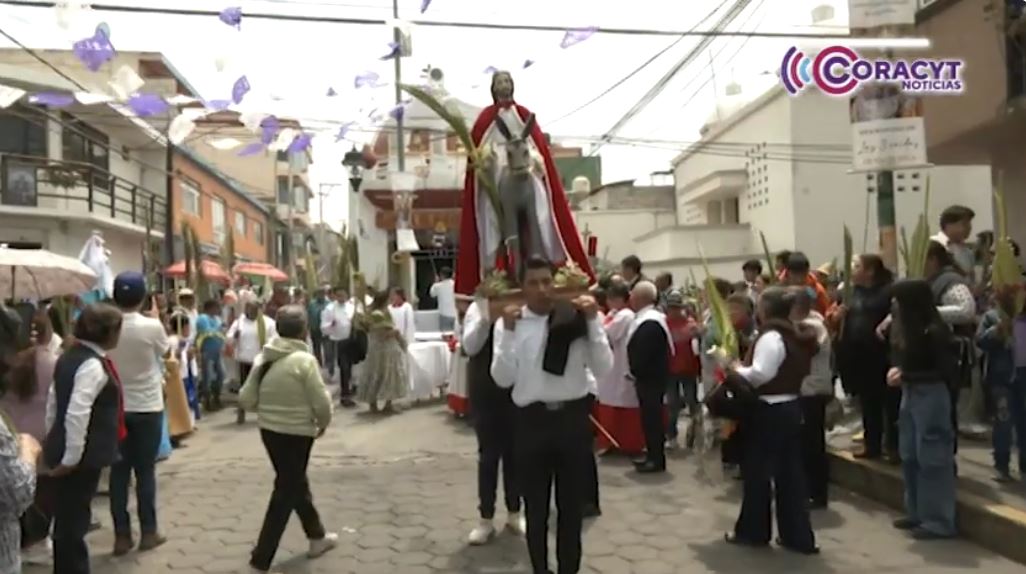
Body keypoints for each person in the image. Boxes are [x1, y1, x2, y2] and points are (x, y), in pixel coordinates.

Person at [491, 257, 613, 574]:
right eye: (533, 282)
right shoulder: (513, 323)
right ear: (523, 287)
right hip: (531, 424)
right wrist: (505, 332)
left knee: (571, 511)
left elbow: (603, 367)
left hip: (571, 423)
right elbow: (502, 379)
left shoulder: (573, 318)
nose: (542, 289)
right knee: (536, 509)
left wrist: (593, 322)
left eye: (547, 281)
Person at [454, 70, 593, 297]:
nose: (504, 85)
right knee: (491, 216)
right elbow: (478, 149)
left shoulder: (524, 113)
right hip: (498, 167)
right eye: (500, 82)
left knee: (541, 204)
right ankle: (497, 266)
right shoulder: (485, 119)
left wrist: (535, 160)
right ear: (493, 87)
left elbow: (537, 147)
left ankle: (548, 255)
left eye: (507, 81)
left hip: (524, 161)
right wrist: (487, 159)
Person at [238, 305, 338, 572]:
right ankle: (261, 558)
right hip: (298, 434)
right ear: (304, 331)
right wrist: (323, 423)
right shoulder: (305, 361)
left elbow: (245, 398)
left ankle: (317, 537)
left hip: (269, 432)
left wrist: (267, 409)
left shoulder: (264, 358)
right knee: (286, 490)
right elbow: (321, 402)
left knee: (294, 483)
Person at [726, 287, 818, 555]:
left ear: (765, 310)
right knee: (791, 475)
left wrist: (734, 369)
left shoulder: (772, 336)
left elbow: (760, 374)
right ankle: (797, 536)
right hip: (790, 406)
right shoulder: (795, 334)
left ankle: (753, 531)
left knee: (758, 473)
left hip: (769, 409)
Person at [44, 303, 126, 574]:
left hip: (65, 446)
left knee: (68, 519)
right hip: (80, 456)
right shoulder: (91, 364)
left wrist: (51, 439)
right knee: (72, 524)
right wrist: (71, 457)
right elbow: (77, 412)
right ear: (107, 332)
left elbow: (53, 404)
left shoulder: (68, 357)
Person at [106, 272, 171, 555]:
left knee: (118, 474)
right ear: (143, 297)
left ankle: (121, 536)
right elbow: (166, 352)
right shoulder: (152, 326)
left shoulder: (106, 326)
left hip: (115, 407)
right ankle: (148, 532)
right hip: (147, 407)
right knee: (145, 472)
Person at [887, 280, 958, 539]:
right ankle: (917, 512)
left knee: (932, 458)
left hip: (931, 395)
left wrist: (906, 374)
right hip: (911, 393)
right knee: (910, 455)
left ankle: (938, 520)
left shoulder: (934, 331)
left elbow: (946, 371)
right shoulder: (909, 330)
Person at [461, 300, 524, 545]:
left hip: (515, 389)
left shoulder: (520, 305)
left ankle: (514, 513)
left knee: (515, 455)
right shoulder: (477, 309)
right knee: (488, 456)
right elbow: (470, 345)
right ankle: (485, 519)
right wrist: (487, 318)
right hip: (485, 390)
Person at [831, 254, 896, 460]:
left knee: (890, 404)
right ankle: (872, 445)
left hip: (883, 355)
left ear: (870, 271)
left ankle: (893, 447)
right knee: (868, 404)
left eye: (857, 265)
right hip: (858, 357)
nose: (852, 268)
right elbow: (832, 319)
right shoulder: (849, 293)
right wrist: (837, 316)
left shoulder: (888, 291)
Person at [975, 297, 1026, 482]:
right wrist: (998, 330)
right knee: (1004, 421)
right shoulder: (992, 317)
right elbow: (980, 341)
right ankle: (1001, 464)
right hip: (1001, 380)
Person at [792, 288, 833, 508]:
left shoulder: (812, 326)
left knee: (812, 444)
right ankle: (807, 489)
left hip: (811, 391)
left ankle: (817, 493)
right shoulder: (808, 322)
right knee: (804, 443)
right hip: (804, 390)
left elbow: (808, 347)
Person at [627, 281, 673, 474]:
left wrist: (634, 370)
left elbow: (644, 354)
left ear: (640, 298)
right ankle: (652, 455)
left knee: (652, 419)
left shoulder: (650, 322)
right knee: (649, 419)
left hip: (650, 379)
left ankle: (656, 459)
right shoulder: (648, 319)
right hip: (649, 378)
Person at [593, 284, 643, 456]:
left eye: (611, 298)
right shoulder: (616, 314)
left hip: (619, 366)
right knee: (611, 402)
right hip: (612, 368)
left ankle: (625, 444)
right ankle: (610, 442)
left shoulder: (625, 316)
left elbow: (607, 333)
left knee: (621, 403)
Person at [355, 292, 408, 413]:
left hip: (374, 347)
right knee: (388, 374)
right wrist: (400, 339)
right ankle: (387, 404)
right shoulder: (381, 313)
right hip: (386, 348)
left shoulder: (368, 311)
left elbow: (365, 327)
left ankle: (373, 404)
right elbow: (387, 331)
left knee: (374, 373)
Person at [227, 301, 277, 425]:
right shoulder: (239, 322)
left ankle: (264, 413)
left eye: (254, 309)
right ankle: (241, 412)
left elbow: (275, 338)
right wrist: (234, 336)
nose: (251, 312)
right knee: (244, 388)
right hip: (244, 360)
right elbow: (229, 338)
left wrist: (268, 344)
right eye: (248, 309)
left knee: (262, 387)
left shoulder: (267, 322)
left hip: (261, 360)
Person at [665, 291, 701, 450]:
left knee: (692, 402)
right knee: (672, 404)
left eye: (677, 307)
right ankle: (671, 437)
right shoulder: (663, 323)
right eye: (671, 307)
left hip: (689, 369)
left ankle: (695, 436)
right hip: (670, 370)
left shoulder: (691, 323)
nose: (674, 311)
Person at [320, 287, 356, 408]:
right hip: (338, 341)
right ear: (335, 296)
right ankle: (345, 395)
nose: (341, 298)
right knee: (344, 368)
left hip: (352, 340)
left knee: (351, 367)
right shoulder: (330, 309)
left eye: (343, 295)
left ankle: (351, 389)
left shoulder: (351, 306)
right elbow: (324, 327)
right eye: (339, 295)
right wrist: (331, 325)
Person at [388, 288, 425, 400]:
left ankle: (406, 387)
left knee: (404, 364)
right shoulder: (389, 308)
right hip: (392, 339)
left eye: (394, 295)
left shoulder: (406, 307)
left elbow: (409, 325)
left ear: (400, 296)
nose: (392, 298)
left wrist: (408, 341)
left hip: (403, 340)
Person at [931, 205, 976, 282]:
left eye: (969, 223)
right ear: (948, 225)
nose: (969, 228)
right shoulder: (932, 245)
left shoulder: (967, 252)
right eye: (964, 224)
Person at [195, 300, 225, 411]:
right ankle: (207, 400)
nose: (218, 310)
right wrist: (219, 330)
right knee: (207, 376)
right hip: (207, 351)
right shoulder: (202, 318)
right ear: (211, 307)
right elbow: (207, 332)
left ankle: (216, 397)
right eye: (217, 307)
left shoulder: (217, 319)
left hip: (217, 351)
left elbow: (222, 332)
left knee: (221, 374)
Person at [306, 288, 330, 368]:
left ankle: (328, 363)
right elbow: (308, 315)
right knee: (316, 347)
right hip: (315, 329)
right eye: (319, 294)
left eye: (322, 294)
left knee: (327, 348)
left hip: (326, 330)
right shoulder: (312, 304)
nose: (321, 296)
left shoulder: (329, 304)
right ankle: (319, 364)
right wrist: (308, 327)